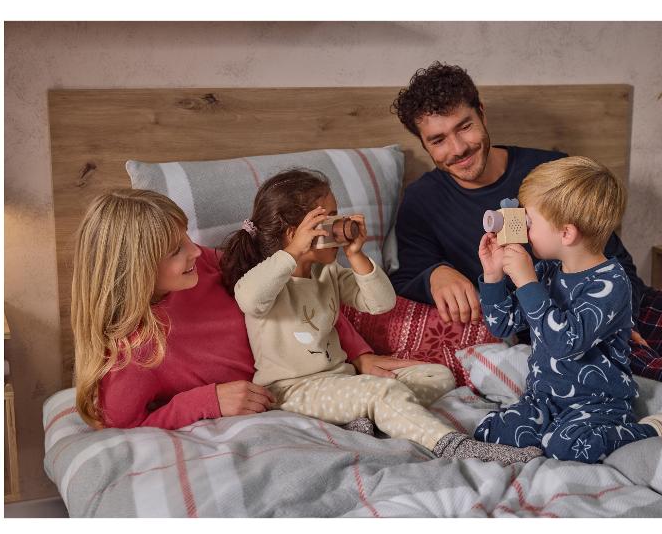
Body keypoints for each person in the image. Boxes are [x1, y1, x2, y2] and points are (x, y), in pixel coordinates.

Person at [390, 61, 662, 396]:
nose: (458, 148)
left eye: (464, 126)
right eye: (437, 140)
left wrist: (622, 317)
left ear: (481, 112)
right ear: (423, 144)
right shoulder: (421, 202)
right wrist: (434, 273)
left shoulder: (551, 171)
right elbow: (405, 279)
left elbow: (615, 258)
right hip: (557, 337)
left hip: (619, 305)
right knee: (656, 373)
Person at [218, 168, 542, 464]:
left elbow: (380, 303)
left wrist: (357, 255)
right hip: (291, 391)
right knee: (380, 391)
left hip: (341, 382)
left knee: (436, 375)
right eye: (328, 220)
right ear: (295, 233)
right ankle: (455, 446)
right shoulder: (267, 281)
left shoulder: (327, 272)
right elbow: (249, 298)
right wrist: (292, 253)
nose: (339, 226)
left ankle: (364, 422)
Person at [72, 189, 429, 430]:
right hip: (286, 395)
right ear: (134, 270)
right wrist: (206, 401)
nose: (195, 250)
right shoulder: (132, 355)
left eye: (186, 238)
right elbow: (121, 424)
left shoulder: (210, 265)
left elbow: (300, 298)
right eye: (175, 251)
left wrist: (359, 355)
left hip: (322, 365)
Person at [473, 157, 662, 462]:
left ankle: (652, 429)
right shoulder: (546, 271)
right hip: (544, 398)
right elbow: (501, 325)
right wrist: (493, 277)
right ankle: (549, 432)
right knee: (490, 432)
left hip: (596, 403)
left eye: (529, 222)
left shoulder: (610, 284)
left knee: (566, 447)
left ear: (566, 233)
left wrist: (527, 283)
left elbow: (564, 343)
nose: (523, 230)